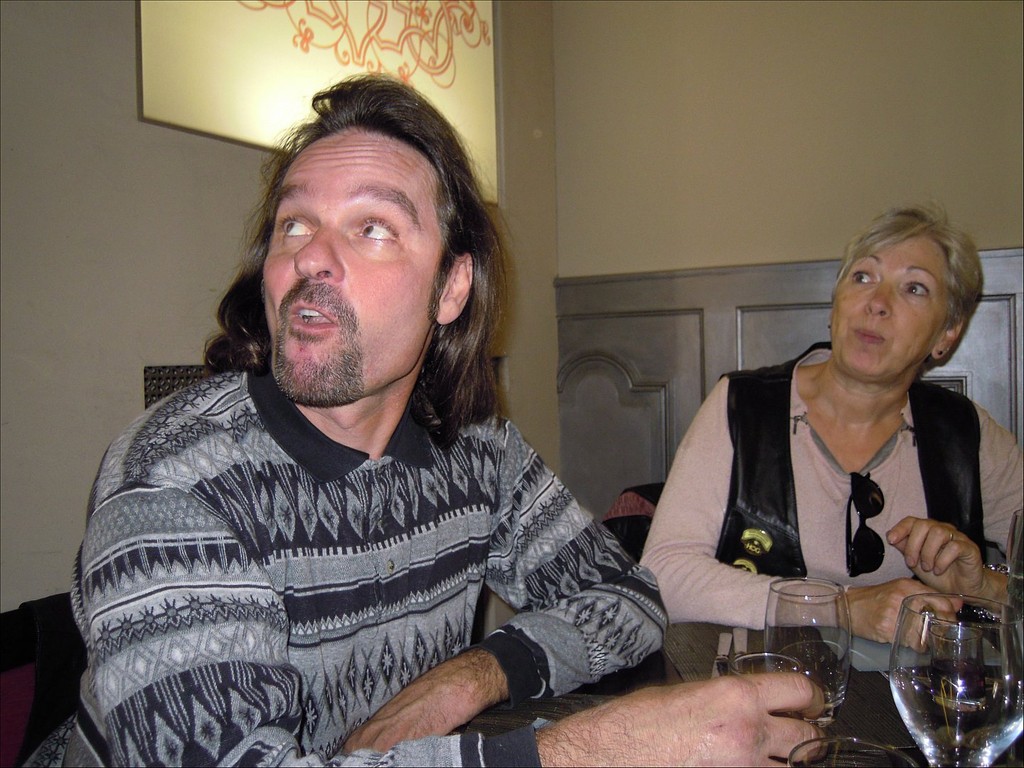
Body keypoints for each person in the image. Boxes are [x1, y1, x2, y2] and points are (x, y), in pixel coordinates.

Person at [32, 74, 823, 767]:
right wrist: (599, 750)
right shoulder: (174, 478)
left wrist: (467, 677)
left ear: (451, 289)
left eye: (372, 227)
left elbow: (628, 595)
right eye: (294, 224)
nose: (311, 257)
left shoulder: (478, 453)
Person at [642, 204, 1023, 644]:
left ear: (947, 333)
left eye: (914, 288)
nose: (877, 303)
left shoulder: (966, 433)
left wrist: (981, 587)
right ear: (835, 303)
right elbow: (664, 575)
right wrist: (842, 607)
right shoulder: (742, 405)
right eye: (863, 277)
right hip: (760, 676)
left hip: (914, 687)